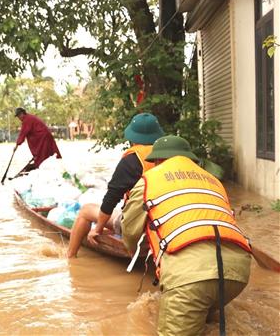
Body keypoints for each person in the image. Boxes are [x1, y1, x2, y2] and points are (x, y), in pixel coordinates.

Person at [122, 135, 251, 336]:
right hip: (238, 274)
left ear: (157, 160)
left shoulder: (148, 180)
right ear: (189, 158)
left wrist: (134, 255)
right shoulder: (214, 181)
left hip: (189, 275)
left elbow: (129, 231)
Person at [67, 113, 164, 258]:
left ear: (131, 138)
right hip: (167, 221)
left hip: (140, 226)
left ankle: (70, 257)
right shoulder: (170, 157)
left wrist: (98, 229)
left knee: (86, 211)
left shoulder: (132, 160)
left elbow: (110, 199)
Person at [13, 107, 61, 172]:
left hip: (43, 138)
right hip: (44, 136)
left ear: (22, 114)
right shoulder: (29, 118)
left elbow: (23, 133)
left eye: (19, 116)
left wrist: (16, 145)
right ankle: (41, 164)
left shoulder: (27, 120)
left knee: (42, 154)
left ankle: (40, 165)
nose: (19, 118)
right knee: (45, 154)